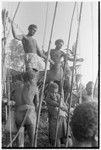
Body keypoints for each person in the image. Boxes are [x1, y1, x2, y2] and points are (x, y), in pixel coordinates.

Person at [46, 82, 68, 147]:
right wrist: (62, 105)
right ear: (49, 91)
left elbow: (64, 106)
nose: (54, 94)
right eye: (52, 92)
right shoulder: (48, 98)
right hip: (55, 119)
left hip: (62, 118)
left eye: (56, 92)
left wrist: (62, 104)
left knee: (64, 138)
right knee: (56, 139)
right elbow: (59, 105)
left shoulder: (58, 96)